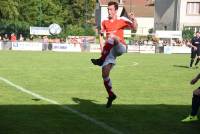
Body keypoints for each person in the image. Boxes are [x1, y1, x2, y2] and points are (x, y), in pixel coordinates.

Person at [91, 1, 138, 108]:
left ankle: (101, 60)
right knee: (104, 74)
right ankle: (111, 95)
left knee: (112, 36)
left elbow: (135, 28)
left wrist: (134, 19)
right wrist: (102, 51)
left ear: (116, 10)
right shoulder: (104, 22)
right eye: (108, 9)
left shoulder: (122, 20)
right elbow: (101, 37)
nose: (109, 11)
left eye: (111, 9)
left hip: (120, 46)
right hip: (110, 50)